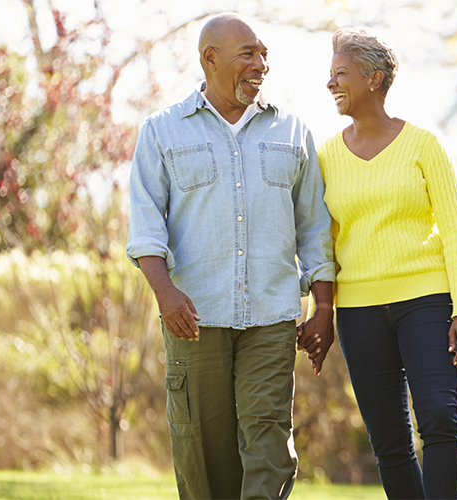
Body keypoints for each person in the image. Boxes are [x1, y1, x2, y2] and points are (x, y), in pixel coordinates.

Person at [125, 13, 335, 500]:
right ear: (210, 58)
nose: (261, 64)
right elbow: (145, 223)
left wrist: (323, 309)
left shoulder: (293, 130)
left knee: (268, 444)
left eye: (264, 54)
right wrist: (165, 293)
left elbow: (314, 229)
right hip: (194, 317)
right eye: (249, 54)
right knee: (204, 453)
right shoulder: (162, 131)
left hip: (272, 318)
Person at [299, 26, 457, 500]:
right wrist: (322, 310)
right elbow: (322, 241)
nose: (331, 83)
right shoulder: (325, 157)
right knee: (390, 441)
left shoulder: (424, 145)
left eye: (340, 73)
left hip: (426, 300)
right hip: (359, 312)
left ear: (374, 78)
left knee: (439, 416)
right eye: (329, 74)